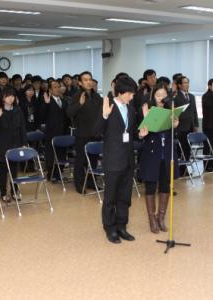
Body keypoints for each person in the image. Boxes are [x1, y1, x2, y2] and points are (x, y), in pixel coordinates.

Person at [94, 76, 138, 244]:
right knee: (110, 197)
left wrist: (140, 133)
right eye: (130, 93)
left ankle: (122, 226)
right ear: (120, 92)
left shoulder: (130, 107)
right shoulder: (107, 106)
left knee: (125, 197)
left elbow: (130, 131)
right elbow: (96, 131)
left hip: (128, 158)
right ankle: (110, 228)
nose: (132, 97)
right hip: (113, 160)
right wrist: (104, 116)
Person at [138, 86, 179, 233]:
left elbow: (175, 134)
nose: (161, 97)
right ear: (153, 97)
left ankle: (161, 218)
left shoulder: (171, 112)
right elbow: (140, 134)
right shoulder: (146, 110)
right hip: (151, 155)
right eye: (157, 95)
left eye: (163, 94)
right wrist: (143, 129)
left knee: (165, 186)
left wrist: (175, 125)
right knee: (150, 187)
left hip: (167, 154)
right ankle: (152, 219)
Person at [67, 71, 103, 193]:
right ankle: (79, 184)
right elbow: (69, 113)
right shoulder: (77, 95)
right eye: (86, 80)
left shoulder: (97, 96)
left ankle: (91, 182)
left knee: (93, 161)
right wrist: (80, 104)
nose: (89, 82)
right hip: (82, 135)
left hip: (95, 134)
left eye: (90, 79)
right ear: (80, 83)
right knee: (81, 161)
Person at [0, 87, 27, 203]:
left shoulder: (18, 110)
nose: (11, 98)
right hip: (2, 144)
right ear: (3, 98)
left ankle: (14, 191)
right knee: (3, 170)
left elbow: (22, 128)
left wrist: (24, 143)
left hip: (15, 143)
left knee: (14, 170)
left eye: (12, 96)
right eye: (8, 96)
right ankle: (3, 193)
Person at [39, 80, 70, 181]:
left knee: (61, 153)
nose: (58, 89)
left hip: (63, 132)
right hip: (52, 132)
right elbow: (42, 116)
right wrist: (47, 104)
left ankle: (59, 173)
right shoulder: (46, 100)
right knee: (51, 155)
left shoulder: (64, 101)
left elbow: (67, 117)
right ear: (50, 90)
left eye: (59, 87)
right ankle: (51, 175)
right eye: (55, 87)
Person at [173, 76, 199, 174]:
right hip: (180, 127)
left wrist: (196, 124)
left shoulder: (191, 96)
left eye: (188, 82)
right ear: (179, 85)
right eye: (184, 83)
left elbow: (194, 112)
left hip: (190, 127)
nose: (187, 84)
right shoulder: (176, 97)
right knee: (180, 149)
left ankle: (185, 169)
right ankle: (179, 170)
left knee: (188, 149)